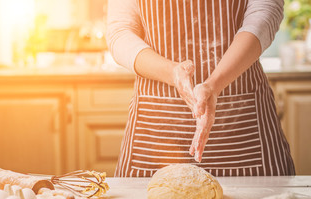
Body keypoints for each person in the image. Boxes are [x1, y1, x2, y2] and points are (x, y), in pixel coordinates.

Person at [106, 0, 295, 177]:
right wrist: (172, 72)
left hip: (242, 128)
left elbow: (264, 14)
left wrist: (215, 84)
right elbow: (120, 31)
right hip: (155, 134)